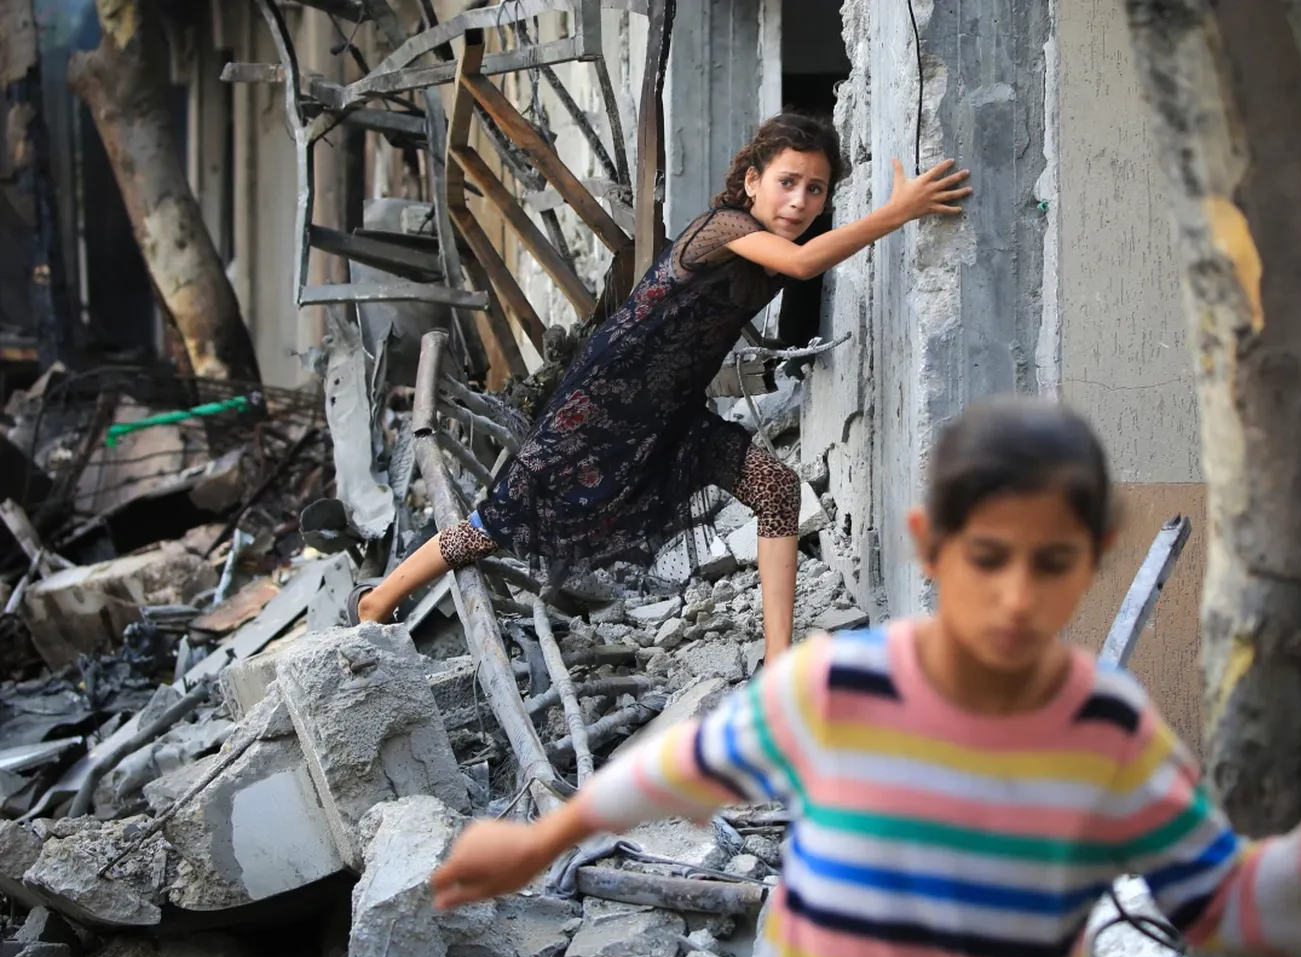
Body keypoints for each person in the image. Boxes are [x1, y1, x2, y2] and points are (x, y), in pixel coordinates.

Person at [429, 396, 1301, 957]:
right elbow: (679, 767)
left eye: (1053, 563)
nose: (1018, 596)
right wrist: (544, 837)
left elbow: (1217, 898)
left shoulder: (1109, 735)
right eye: (989, 558)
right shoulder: (839, 689)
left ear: (1095, 561)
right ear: (930, 543)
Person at [347, 111, 972, 665]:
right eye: (787, 182)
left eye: (815, 189)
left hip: (671, 413)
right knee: (503, 518)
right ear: (753, 181)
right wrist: (899, 211)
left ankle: (779, 662)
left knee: (776, 490)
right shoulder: (724, 229)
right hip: (603, 401)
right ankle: (377, 602)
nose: (800, 201)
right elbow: (806, 263)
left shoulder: (774, 243)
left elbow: (800, 261)